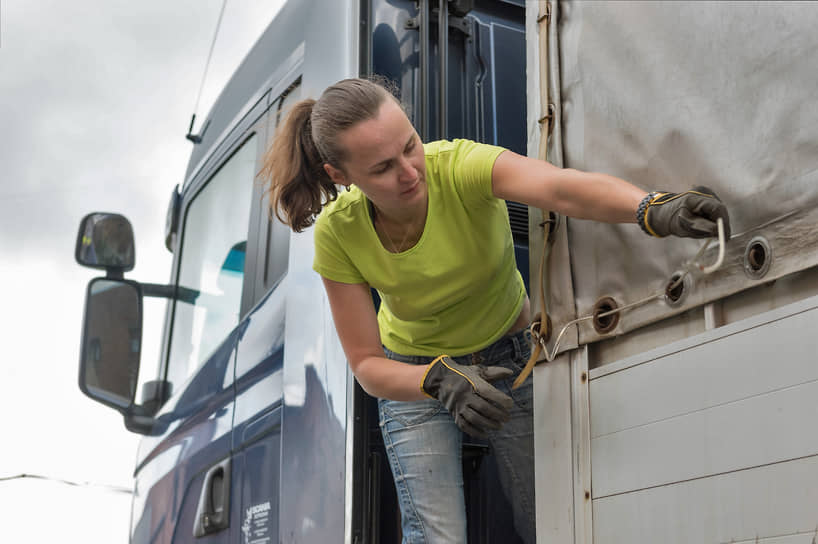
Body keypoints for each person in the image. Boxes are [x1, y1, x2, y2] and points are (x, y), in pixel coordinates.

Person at [259, 78, 730, 544]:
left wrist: (649, 207)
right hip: (418, 379)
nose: (409, 172)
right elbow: (366, 365)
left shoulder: (461, 165)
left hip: (509, 358)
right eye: (382, 168)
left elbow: (562, 189)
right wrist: (437, 379)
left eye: (411, 145)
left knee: (551, 525)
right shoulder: (338, 234)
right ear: (340, 175)